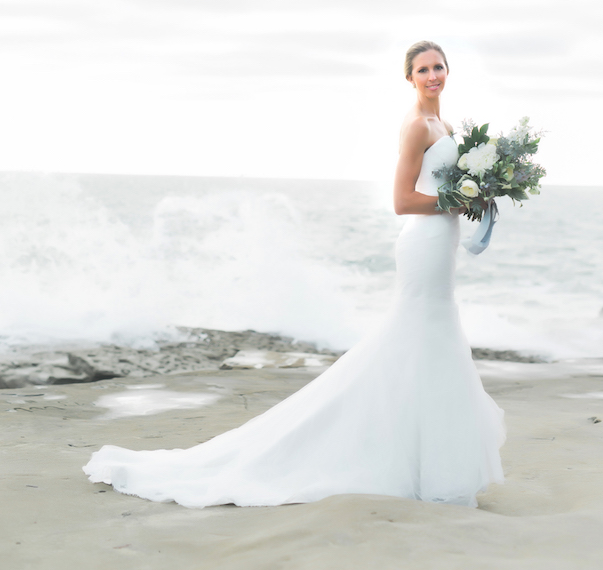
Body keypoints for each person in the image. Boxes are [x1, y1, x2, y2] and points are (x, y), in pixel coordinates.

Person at [84, 41, 505, 508]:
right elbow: (402, 201)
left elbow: (445, 188)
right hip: (423, 244)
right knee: (417, 338)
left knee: (432, 343)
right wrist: (460, 200)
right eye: (422, 69)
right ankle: (404, 462)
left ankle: (430, 464)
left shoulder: (444, 125)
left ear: (449, 71)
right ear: (409, 77)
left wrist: (479, 193)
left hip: (440, 246)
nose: (432, 75)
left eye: (438, 67)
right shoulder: (414, 127)